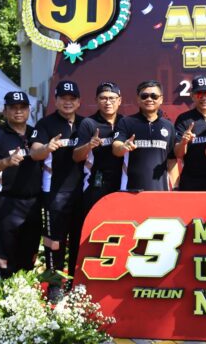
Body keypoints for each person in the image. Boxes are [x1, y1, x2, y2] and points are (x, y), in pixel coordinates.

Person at [29, 81, 84, 294]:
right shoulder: (45, 124)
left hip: (82, 191)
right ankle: (55, 287)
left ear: (78, 102)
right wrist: (46, 147)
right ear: (56, 100)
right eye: (63, 98)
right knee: (54, 242)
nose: (68, 102)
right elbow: (34, 152)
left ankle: (75, 285)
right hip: (54, 192)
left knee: (78, 240)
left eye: (72, 99)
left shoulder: (85, 123)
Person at [0, 91, 42, 279]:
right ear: (5, 111)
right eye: (13, 108)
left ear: (29, 110)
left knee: (29, 252)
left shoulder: (36, 134)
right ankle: (1, 291)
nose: (18, 111)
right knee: (2, 255)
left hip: (33, 202)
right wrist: (5, 162)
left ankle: (23, 291)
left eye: (22, 107)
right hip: (5, 202)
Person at [112, 80, 177, 191]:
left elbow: (171, 161)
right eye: (144, 96)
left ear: (161, 99)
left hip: (161, 192)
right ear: (138, 99)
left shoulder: (168, 125)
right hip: (131, 191)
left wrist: (176, 187)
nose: (149, 99)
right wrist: (123, 147)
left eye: (154, 96)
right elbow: (116, 148)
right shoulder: (126, 122)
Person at [73, 82, 124, 223]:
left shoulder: (125, 122)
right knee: (95, 224)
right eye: (103, 98)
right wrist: (89, 145)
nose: (108, 102)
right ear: (96, 100)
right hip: (96, 183)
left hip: (122, 183)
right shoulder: (88, 123)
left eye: (112, 98)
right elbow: (76, 157)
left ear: (119, 100)